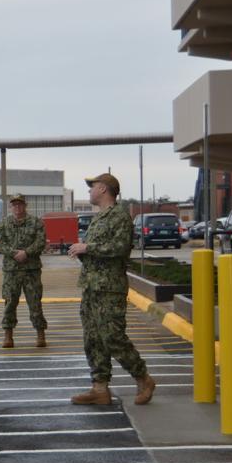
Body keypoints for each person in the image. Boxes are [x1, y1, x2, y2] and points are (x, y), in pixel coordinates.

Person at [68, 173, 157, 405]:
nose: (89, 191)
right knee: (93, 338)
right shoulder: (99, 218)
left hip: (109, 288)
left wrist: (87, 247)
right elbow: (98, 253)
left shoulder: (119, 216)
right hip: (92, 286)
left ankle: (143, 378)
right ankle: (99, 388)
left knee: (113, 337)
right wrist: (82, 253)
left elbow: (119, 247)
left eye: (93, 186)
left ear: (104, 189)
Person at [0, 194, 48, 349]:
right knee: (10, 302)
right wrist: (14, 253)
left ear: (25, 206)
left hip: (31, 270)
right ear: (11, 207)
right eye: (14, 205)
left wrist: (26, 252)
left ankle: (40, 334)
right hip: (11, 270)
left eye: (20, 205)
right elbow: (0, 243)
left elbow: (40, 242)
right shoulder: (4, 224)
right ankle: (8, 335)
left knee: (35, 302)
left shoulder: (36, 222)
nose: (17, 207)